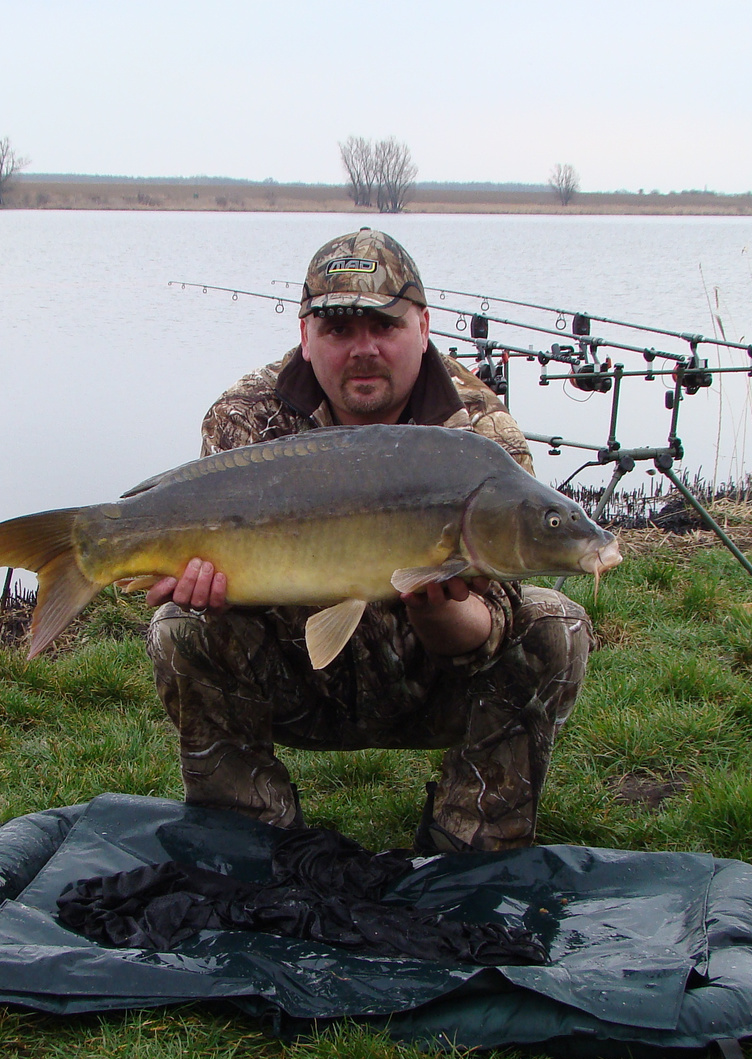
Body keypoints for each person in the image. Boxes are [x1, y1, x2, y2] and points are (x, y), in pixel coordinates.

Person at [144, 229, 594, 853]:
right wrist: (207, 590)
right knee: (180, 625)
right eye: (337, 330)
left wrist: (444, 612)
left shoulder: (480, 432)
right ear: (304, 336)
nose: (363, 350)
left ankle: (468, 847)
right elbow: (228, 575)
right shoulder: (248, 417)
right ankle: (247, 838)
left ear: (425, 326)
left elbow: (493, 624)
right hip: (299, 674)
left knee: (555, 625)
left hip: (431, 677)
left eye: (384, 327)